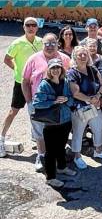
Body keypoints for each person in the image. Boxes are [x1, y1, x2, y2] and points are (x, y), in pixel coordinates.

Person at [22, 33, 71, 171]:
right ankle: (42, 155)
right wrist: (29, 101)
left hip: (61, 106)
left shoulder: (65, 59)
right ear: (42, 44)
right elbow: (25, 81)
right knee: (39, 131)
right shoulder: (33, 59)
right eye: (46, 44)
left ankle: (56, 157)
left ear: (58, 44)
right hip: (40, 104)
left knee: (58, 132)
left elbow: (72, 80)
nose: (49, 46)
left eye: (53, 43)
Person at [0, 17, 42, 159]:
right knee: (14, 111)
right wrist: (18, 71)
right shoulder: (17, 43)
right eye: (28, 25)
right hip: (21, 83)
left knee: (38, 109)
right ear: (24, 27)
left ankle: (36, 137)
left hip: (36, 83)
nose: (31, 27)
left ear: (37, 27)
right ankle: (1, 138)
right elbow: (7, 59)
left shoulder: (41, 42)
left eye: (33, 25)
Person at [32, 58, 76, 188]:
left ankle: (62, 167)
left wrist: (67, 99)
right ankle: (50, 177)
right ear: (49, 70)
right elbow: (37, 103)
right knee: (50, 151)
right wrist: (54, 101)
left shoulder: (66, 82)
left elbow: (72, 100)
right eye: (53, 68)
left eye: (58, 67)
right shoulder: (44, 84)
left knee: (61, 146)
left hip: (65, 120)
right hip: (51, 123)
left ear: (61, 69)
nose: (56, 70)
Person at [68, 46, 102, 170]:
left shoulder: (92, 69)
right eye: (80, 54)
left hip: (95, 105)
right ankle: (77, 156)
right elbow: (75, 92)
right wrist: (90, 99)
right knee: (78, 133)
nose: (82, 57)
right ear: (75, 57)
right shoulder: (72, 73)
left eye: (85, 54)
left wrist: (98, 96)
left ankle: (98, 151)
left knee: (98, 128)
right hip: (80, 108)